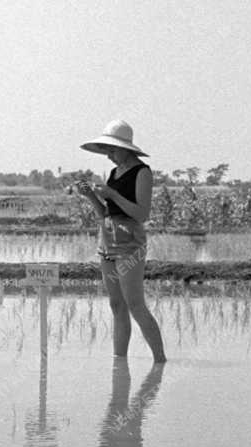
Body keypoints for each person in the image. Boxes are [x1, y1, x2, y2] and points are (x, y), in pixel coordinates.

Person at [74, 119, 166, 364]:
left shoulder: (142, 172)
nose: (109, 156)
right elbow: (105, 212)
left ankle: (160, 361)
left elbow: (142, 214)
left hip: (129, 243)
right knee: (116, 305)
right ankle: (120, 363)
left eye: (112, 150)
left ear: (126, 148)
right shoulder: (115, 173)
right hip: (107, 239)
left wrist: (112, 193)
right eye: (107, 150)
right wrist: (91, 196)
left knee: (135, 304)